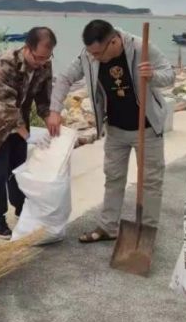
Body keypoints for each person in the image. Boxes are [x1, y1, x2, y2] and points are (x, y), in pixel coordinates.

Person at [47, 20, 175, 243]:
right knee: (113, 178)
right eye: (91, 53)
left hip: (147, 129)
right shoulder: (89, 55)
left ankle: (146, 232)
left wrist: (152, 75)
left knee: (150, 182)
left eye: (98, 53)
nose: (94, 58)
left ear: (114, 42)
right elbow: (65, 78)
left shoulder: (141, 48)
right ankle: (108, 227)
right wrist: (54, 110)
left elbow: (170, 75)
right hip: (116, 129)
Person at [0, 27, 57, 239]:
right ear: (27, 48)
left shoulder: (44, 64)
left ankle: (21, 207)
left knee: (19, 169)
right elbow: (5, 105)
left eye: (47, 57)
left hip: (18, 121)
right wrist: (27, 135)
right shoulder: (6, 63)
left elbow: (44, 100)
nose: (42, 63)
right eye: (38, 57)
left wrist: (51, 120)